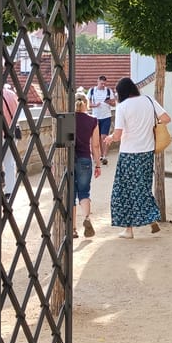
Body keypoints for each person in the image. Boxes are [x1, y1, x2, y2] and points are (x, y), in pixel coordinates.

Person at [103, 77, 171, 239]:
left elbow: (118, 135)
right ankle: (151, 216)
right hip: (147, 152)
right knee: (143, 187)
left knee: (124, 191)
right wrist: (150, 125)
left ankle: (129, 230)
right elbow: (166, 118)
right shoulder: (148, 100)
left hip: (129, 153)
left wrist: (109, 138)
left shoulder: (123, 107)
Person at [72, 92, 102, 238]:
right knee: (84, 192)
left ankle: (72, 228)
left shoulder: (67, 119)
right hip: (84, 159)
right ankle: (87, 219)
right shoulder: (93, 120)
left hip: (69, 160)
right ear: (87, 103)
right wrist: (98, 165)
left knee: (70, 195)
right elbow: (95, 145)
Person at [88, 76, 115, 165]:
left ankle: (104, 156)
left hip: (106, 116)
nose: (103, 85)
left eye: (104, 83)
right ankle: (98, 155)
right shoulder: (92, 91)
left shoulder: (108, 91)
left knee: (104, 136)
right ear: (98, 82)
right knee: (96, 137)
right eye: (101, 83)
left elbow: (114, 103)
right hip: (95, 117)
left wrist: (109, 102)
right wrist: (95, 105)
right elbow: (88, 104)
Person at [1, 83, 20, 199]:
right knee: (10, 162)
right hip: (12, 132)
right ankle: (10, 190)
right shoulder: (12, 95)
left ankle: (0, 184)